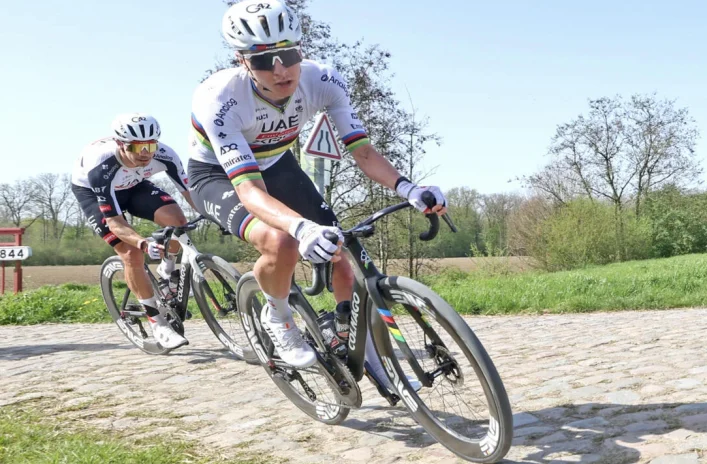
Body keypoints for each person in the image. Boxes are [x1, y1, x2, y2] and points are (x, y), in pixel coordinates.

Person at [187, 0, 447, 375]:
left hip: (277, 163)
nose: (280, 70)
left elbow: (363, 151)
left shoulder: (322, 80)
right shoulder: (220, 99)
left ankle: (346, 335)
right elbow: (250, 191)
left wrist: (408, 188)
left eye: (289, 55)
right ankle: (278, 317)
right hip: (217, 176)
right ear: (242, 61)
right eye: (263, 60)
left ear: (301, 49)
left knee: (341, 252)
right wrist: (301, 228)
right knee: (281, 242)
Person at [71, 113, 196, 350]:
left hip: (133, 185)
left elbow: (192, 194)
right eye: (137, 147)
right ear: (120, 143)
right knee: (132, 253)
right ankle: (156, 322)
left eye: (151, 145)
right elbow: (115, 222)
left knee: (178, 221)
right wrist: (143, 243)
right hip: (94, 192)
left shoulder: (165, 154)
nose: (145, 153)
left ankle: (167, 270)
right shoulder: (101, 165)